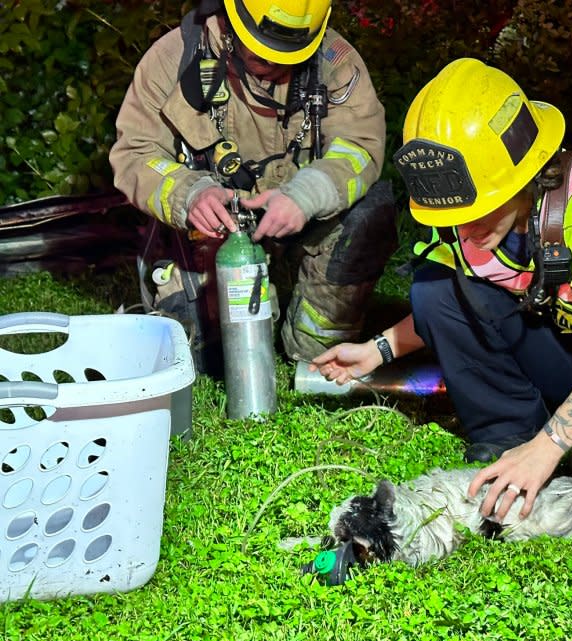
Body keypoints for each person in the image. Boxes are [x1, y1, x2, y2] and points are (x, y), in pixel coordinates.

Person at [310, 58, 572, 520]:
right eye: (456, 212)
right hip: (557, 350)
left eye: (480, 207)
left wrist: (551, 447)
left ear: (524, 172)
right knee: (433, 285)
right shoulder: (459, 215)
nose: (466, 225)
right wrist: (377, 351)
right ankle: (508, 432)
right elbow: (443, 308)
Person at [109, 0, 397, 370]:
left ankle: (314, 349)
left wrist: (306, 196)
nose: (276, 66)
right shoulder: (173, 58)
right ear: (230, 23)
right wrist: (190, 195)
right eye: (262, 54)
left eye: (290, 56)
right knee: (197, 361)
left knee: (371, 212)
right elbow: (134, 151)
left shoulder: (335, 62)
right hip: (207, 237)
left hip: (297, 227)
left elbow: (359, 147)